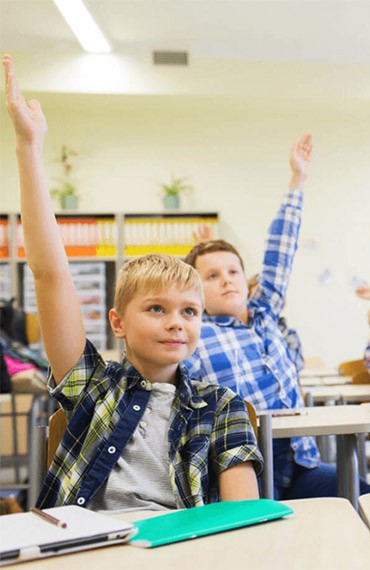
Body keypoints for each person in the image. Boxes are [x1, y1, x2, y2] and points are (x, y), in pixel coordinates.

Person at [4, 55, 262, 511]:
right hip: (90, 548)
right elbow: (49, 275)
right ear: (118, 322)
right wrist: (29, 149)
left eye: (189, 311)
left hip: (182, 549)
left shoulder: (223, 407)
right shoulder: (93, 387)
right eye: (156, 309)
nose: (176, 323)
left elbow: (242, 514)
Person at [182, 135, 370, 499]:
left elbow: (280, 252)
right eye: (212, 276)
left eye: (234, 272)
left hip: (295, 462)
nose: (227, 281)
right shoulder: (194, 335)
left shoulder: (265, 314)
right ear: (194, 289)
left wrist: (297, 182)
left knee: (362, 494)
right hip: (236, 473)